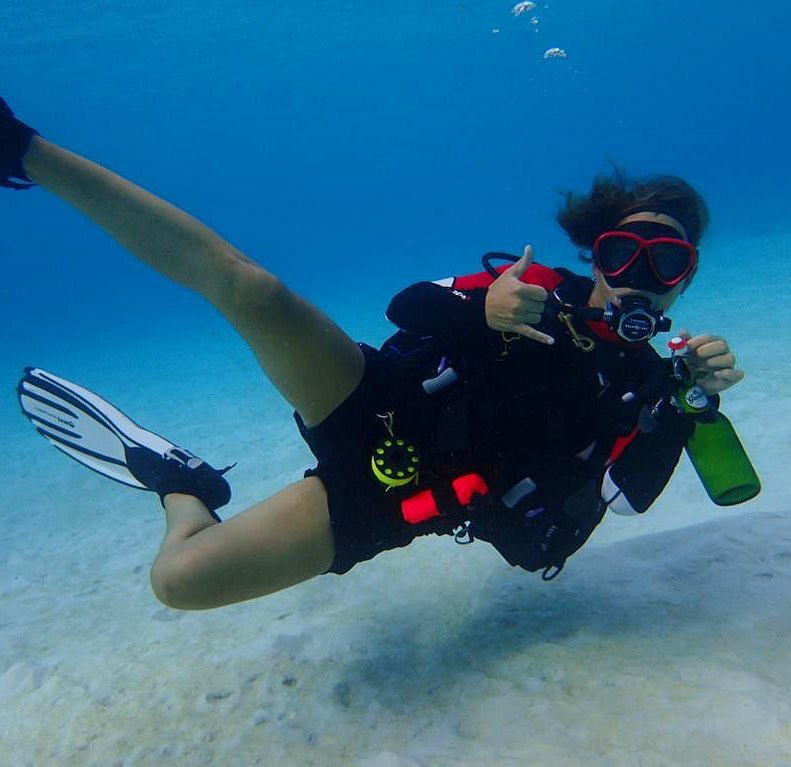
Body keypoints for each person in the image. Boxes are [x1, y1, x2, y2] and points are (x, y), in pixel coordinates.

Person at [2, 97, 745, 610]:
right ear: (597, 253)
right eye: (623, 252)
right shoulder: (535, 284)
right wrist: (484, 307)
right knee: (254, 291)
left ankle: (178, 480)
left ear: (685, 278)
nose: (636, 279)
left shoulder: (660, 381)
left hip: (404, 497)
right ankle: (20, 147)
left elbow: (624, 496)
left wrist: (683, 406)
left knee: (180, 580)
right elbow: (405, 304)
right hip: (381, 399)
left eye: (665, 263)